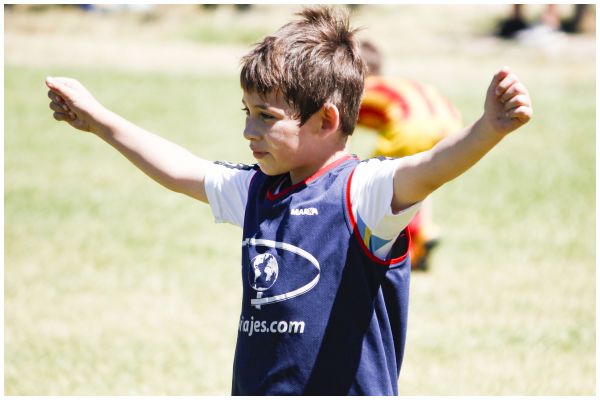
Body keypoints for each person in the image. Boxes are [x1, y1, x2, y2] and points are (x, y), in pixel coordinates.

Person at [45, 6, 532, 396]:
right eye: (247, 113)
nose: (248, 131)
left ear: (325, 119)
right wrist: (98, 120)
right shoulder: (259, 190)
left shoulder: (363, 193)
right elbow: (179, 169)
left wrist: (488, 128)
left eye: (265, 117)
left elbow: (428, 168)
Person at [356, 40, 463, 271]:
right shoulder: (396, 83)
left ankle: (379, 246)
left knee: (376, 184)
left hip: (411, 127)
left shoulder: (358, 88)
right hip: (450, 122)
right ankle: (424, 233)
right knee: (420, 178)